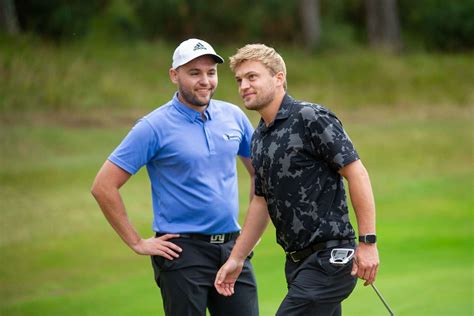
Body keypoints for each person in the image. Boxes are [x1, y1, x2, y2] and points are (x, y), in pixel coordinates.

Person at [91, 38, 259, 316]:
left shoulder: (233, 116)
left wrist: (249, 233)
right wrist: (137, 242)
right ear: (174, 75)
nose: (205, 80)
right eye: (194, 73)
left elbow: (260, 174)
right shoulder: (153, 126)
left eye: (211, 72)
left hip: (233, 249)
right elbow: (103, 186)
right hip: (182, 253)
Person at [214, 44, 380, 315]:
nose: (243, 85)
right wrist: (237, 258)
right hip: (296, 265)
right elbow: (260, 201)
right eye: (239, 80)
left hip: (331, 259)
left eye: (252, 77)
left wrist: (368, 243)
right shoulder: (259, 138)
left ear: (278, 78)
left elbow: (356, 173)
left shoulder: (310, 117)